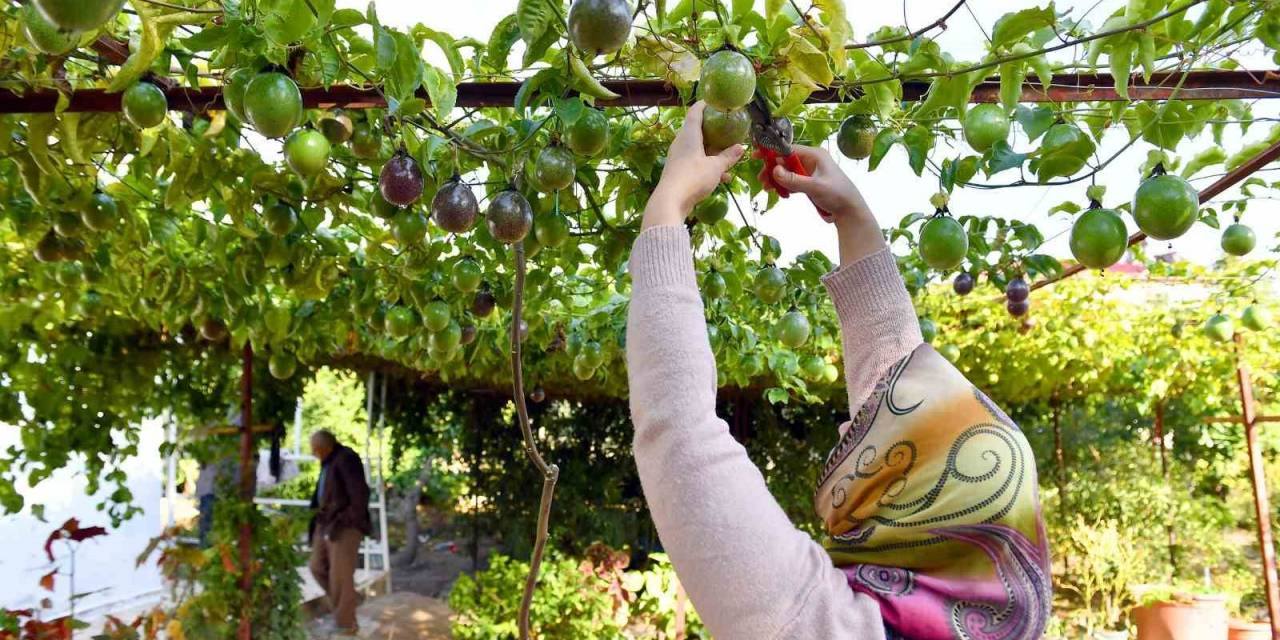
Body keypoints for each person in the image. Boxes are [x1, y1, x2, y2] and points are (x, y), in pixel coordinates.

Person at [626, 102, 1051, 640]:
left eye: (880, 436)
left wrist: (667, 207)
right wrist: (853, 217)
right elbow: (891, 380)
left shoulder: (814, 625)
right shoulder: (998, 614)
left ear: (912, 513)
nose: (854, 425)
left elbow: (678, 432)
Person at [307, 429, 372, 636]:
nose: (314, 453)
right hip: (326, 523)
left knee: (340, 577)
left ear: (325, 447)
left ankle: (346, 624)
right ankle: (347, 602)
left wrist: (344, 520)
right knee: (316, 566)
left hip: (344, 527)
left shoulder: (347, 459)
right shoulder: (328, 461)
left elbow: (359, 496)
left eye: (315, 450)